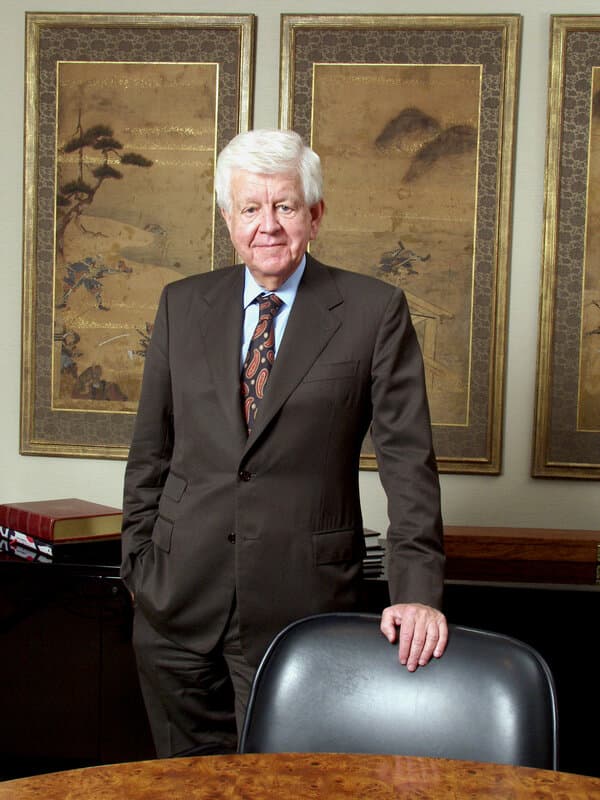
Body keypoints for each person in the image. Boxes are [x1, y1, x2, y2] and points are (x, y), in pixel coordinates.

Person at [121, 128, 447, 759]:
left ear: (314, 215)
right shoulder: (181, 305)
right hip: (173, 603)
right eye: (250, 208)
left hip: (300, 607)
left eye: (284, 206)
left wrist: (415, 591)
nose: (266, 225)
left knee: (287, 787)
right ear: (227, 219)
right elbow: (150, 451)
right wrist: (140, 563)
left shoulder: (373, 312)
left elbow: (410, 464)